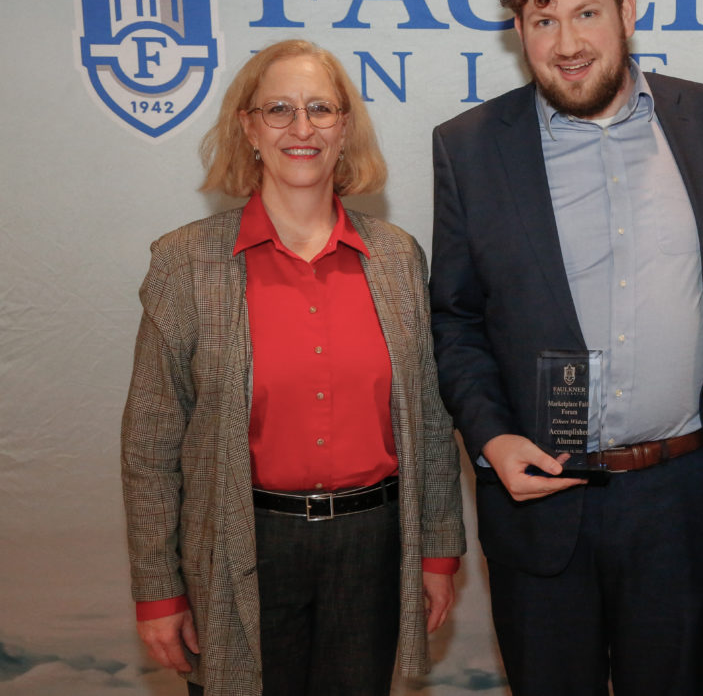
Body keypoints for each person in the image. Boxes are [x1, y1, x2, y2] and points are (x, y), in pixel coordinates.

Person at [429, 0, 703, 695]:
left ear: (627, 12)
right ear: (518, 30)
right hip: (539, 501)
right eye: (543, 20)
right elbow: (456, 319)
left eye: (586, 12)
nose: (567, 43)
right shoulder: (468, 147)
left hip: (679, 498)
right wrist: (492, 441)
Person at [121, 39, 465, 696]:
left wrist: (439, 548)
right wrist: (158, 590)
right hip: (240, 545)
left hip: (373, 549)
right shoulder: (185, 264)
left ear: (344, 130)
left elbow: (428, 414)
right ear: (248, 127)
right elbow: (149, 447)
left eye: (320, 109)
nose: (301, 128)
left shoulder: (396, 258)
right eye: (278, 109)